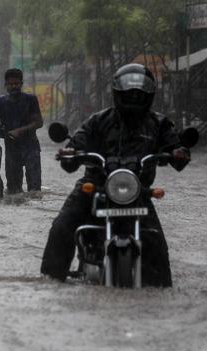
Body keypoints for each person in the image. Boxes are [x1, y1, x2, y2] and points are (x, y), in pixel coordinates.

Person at [40, 64, 192, 287]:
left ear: (149, 94)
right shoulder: (99, 120)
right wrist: (70, 152)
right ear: (117, 92)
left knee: (156, 241)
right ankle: (49, 282)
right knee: (63, 225)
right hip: (96, 185)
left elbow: (175, 147)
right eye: (128, 92)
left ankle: (160, 288)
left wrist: (180, 152)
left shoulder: (159, 124)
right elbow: (76, 146)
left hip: (136, 191)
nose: (134, 96)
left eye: (139, 92)